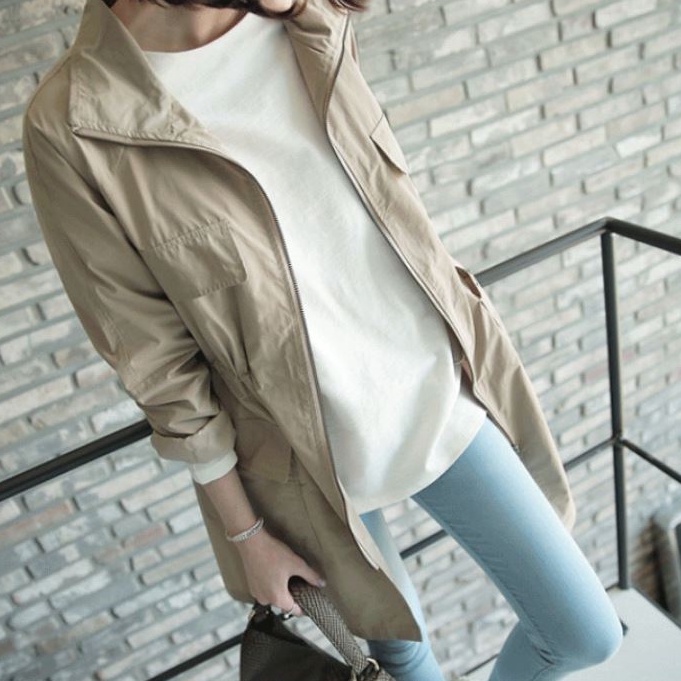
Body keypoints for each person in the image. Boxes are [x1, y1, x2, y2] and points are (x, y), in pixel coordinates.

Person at [22, 0, 624, 679]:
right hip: (295, 456)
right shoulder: (72, 122)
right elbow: (155, 361)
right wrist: (246, 534)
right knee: (401, 652)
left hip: (431, 386)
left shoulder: (309, 21)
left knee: (581, 630)